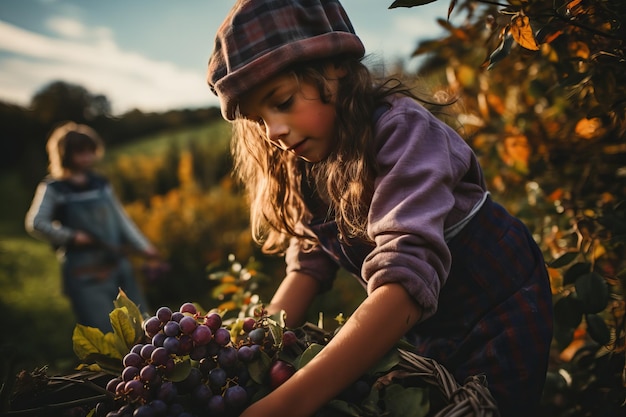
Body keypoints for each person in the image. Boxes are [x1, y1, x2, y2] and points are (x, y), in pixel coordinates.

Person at [207, 1, 554, 416]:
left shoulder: (402, 132)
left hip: (499, 306)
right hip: (428, 322)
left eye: (281, 101)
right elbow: (307, 265)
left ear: (334, 65)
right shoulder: (306, 165)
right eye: (259, 120)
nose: (274, 132)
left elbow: (406, 282)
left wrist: (290, 402)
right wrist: (250, 351)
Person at [25, 121, 157, 333]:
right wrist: (71, 236)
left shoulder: (100, 184)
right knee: (105, 335)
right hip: (84, 273)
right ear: (65, 154)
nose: (87, 157)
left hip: (118, 265)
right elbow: (36, 223)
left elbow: (121, 219)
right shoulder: (54, 188)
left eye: (90, 151)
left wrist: (144, 246)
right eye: (81, 152)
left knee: (141, 325)